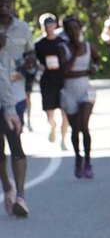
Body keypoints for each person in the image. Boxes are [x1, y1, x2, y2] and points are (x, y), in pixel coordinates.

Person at [0, 0, 32, 216]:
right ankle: (7, 186)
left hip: (16, 92)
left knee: (15, 140)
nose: (5, 3)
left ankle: (20, 196)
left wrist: (30, 62)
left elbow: (30, 53)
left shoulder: (22, 28)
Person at [57, 13, 95, 179]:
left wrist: (94, 67)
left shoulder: (88, 46)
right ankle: (78, 157)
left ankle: (88, 161)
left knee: (85, 126)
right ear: (66, 32)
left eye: (76, 28)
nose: (73, 32)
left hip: (85, 89)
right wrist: (75, 54)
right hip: (69, 91)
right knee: (75, 128)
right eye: (70, 29)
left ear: (80, 29)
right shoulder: (62, 48)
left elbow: (97, 60)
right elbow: (65, 72)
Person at [35, 14, 68, 143]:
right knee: (49, 112)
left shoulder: (62, 42)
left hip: (61, 78)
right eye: (46, 25)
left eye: (50, 24)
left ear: (55, 25)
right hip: (47, 79)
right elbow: (34, 60)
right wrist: (39, 66)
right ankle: (52, 126)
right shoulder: (39, 44)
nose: (48, 27)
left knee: (65, 110)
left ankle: (63, 139)